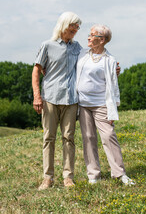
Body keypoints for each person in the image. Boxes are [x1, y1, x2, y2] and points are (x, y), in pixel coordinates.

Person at [32, 12, 121, 190]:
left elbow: (97, 57)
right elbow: (37, 70)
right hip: (50, 98)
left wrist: (113, 69)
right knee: (49, 138)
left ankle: (68, 177)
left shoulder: (78, 48)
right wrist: (37, 96)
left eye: (78, 27)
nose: (76, 30)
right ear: (64, 25)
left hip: (72, 100)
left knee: (69, 138)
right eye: (74, 26)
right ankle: (47, 178)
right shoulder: (47, 46)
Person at [76, 24, 135, 185]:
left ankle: (119, 173)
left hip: (101, 104)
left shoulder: (110, 60)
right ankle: (93, 175)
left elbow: (113, 86)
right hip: (83, 104)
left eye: (92, 35)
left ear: (101, 40)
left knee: (108, 136)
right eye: (89, 34)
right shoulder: (81, 54)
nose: (88, 37)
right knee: (88, 138)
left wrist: (113, 109)